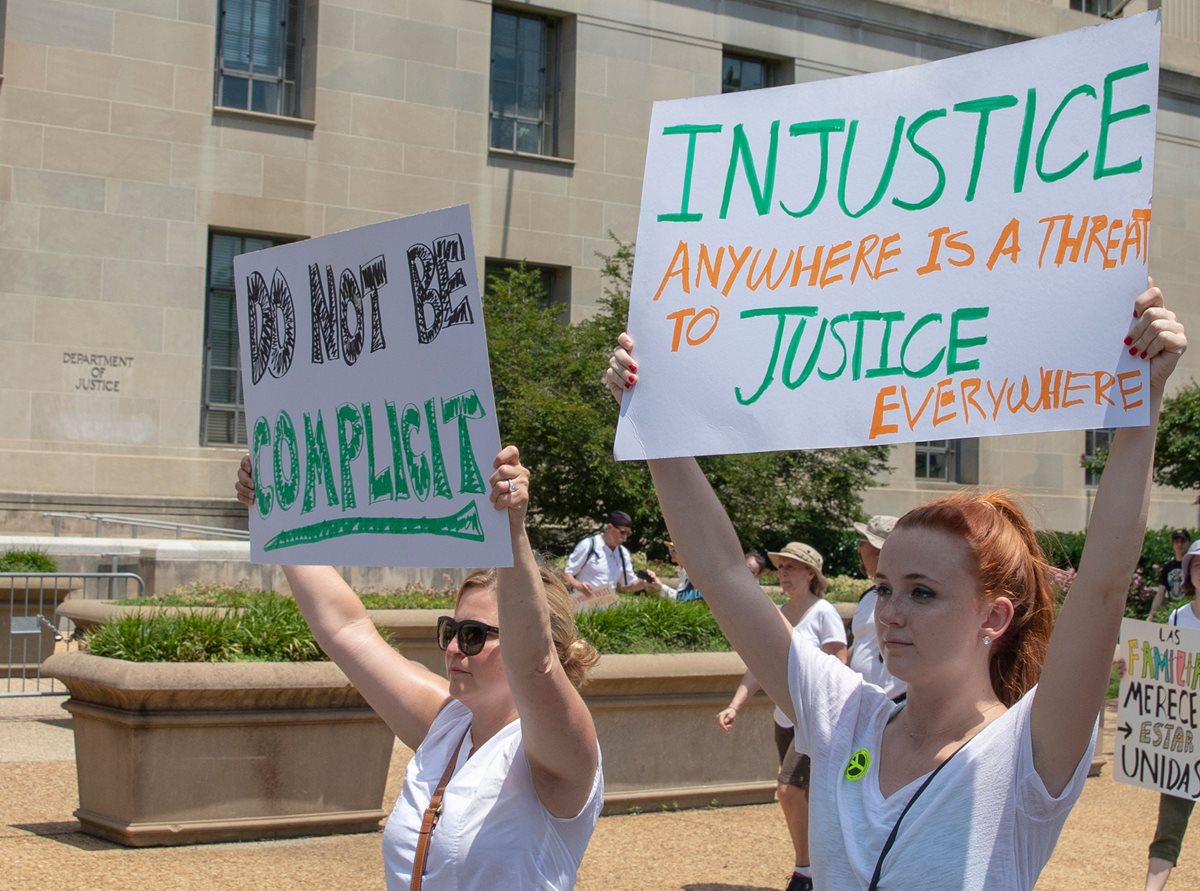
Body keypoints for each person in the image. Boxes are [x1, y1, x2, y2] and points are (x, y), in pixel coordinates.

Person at [607, 283, 1185, 889]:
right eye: (883, 588)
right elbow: (722, 572)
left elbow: (1101, 587)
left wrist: (1143, 398)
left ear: (995, 617)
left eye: (922, 592)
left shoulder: (1031, 750)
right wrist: (655, 418)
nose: (890, 612)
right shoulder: (843, 718)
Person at [235, 446, 603, 890]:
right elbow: (347, 629)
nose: (453, 648)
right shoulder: (447, 723)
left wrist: (511, 531)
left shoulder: (561, 750)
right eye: (451, 629)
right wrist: (278, 514)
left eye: (474, 636)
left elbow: (535, 664)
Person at [716, 542, 847, 891]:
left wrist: (821, 709)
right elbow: (758, 667)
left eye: (791, 566)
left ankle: (805, 871)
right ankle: (820, 870)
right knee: (807, 796)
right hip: (784, 719)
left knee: (789, 789)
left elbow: (839, 662)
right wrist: (735, 704)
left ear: (810, 573)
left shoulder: (824, 613)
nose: (783, 572)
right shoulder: (777, 613)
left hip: (813, 720)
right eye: (781, 566)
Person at [1142, 538, 1200, 891]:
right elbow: (1160, 671)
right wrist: (1133, 669)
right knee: (1169, 827)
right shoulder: (1178, 618)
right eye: (1198, 565)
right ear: (1189, 571)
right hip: (1184, 738)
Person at [849, 516, 907, 702]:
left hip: (896, 703)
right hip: (865, 702)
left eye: (862, 542)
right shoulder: (867, 596)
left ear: (878, 551)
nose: (858, 548)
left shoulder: (908, 597)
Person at [563, 510, 660, 596]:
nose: (625, 538)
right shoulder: (589, 545)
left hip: (608, 607)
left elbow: (628, 586)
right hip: (584, 605)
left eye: (628, 534)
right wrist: (579, 586)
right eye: (622, 532)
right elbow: (567, 574)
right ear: (609, 527)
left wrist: (644, 583)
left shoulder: (623, 553)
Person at [1149, 528, 1192, 614]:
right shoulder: (1168, 567)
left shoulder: (1193, 565)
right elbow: (1160, 593)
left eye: (1183, 541)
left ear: (1189, 543)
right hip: (1173, 611)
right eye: (1176, 541)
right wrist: (1152, 614)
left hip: (1189, 609)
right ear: (1172, 544)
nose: (1179, 544)